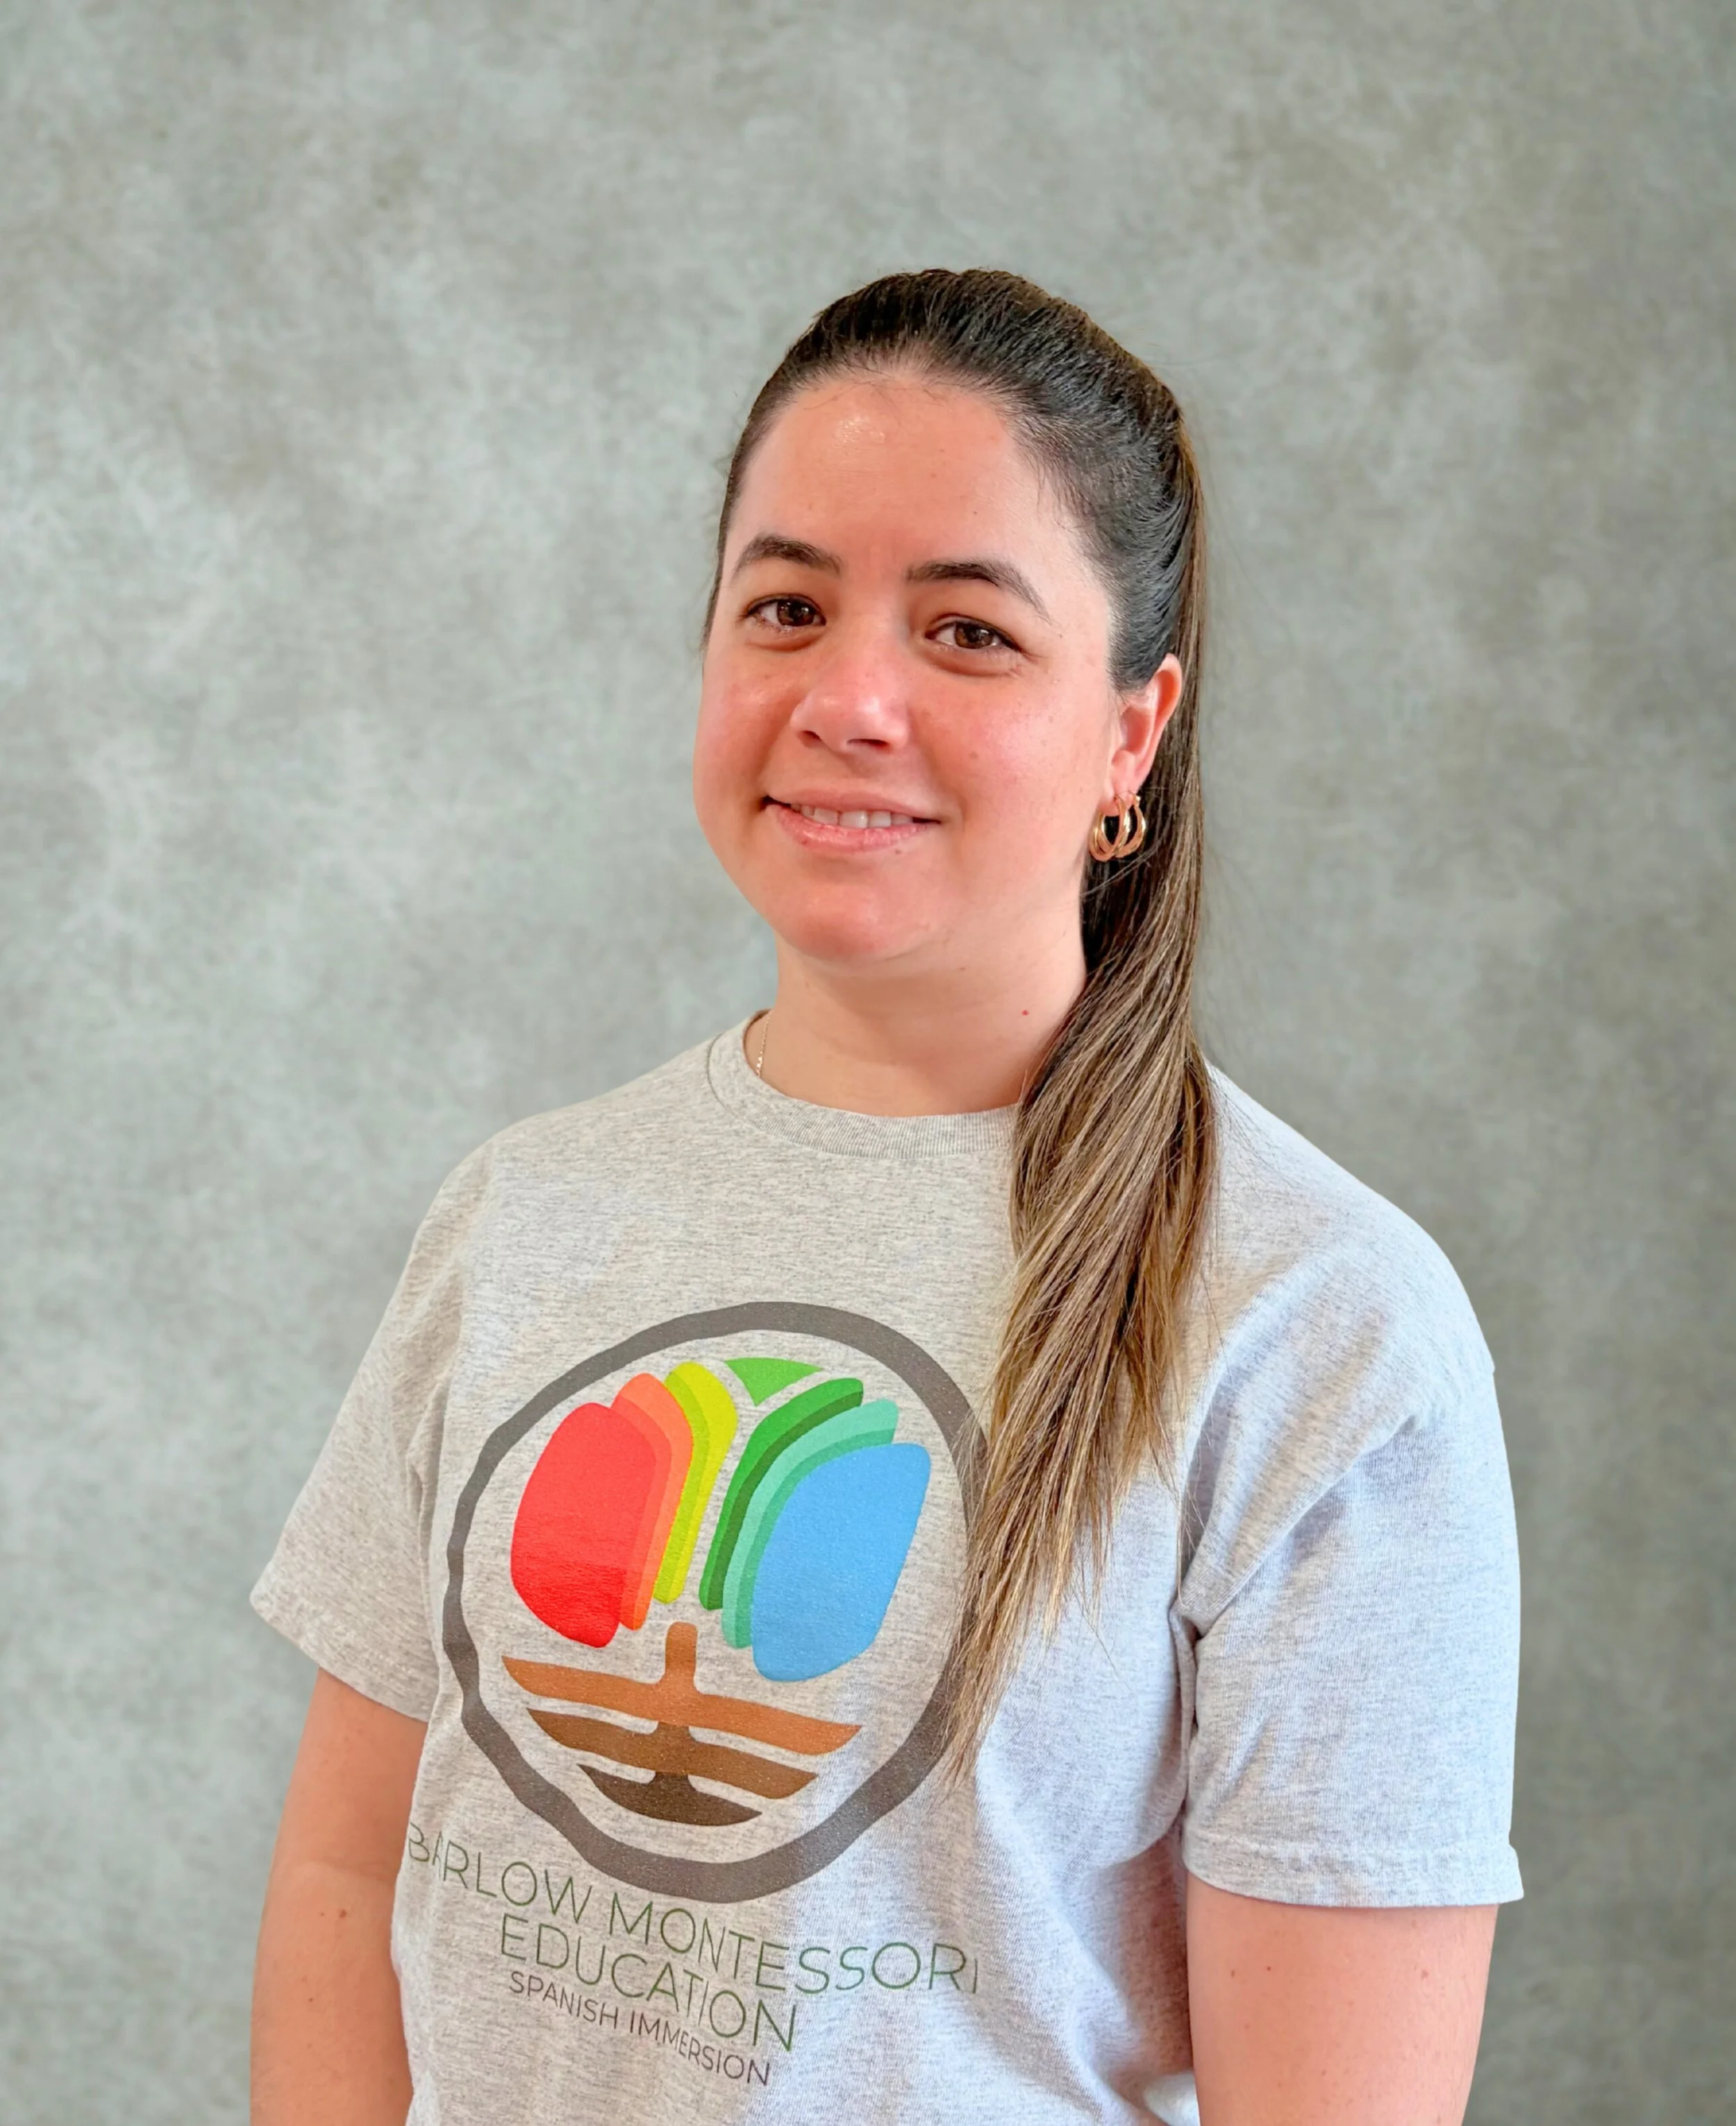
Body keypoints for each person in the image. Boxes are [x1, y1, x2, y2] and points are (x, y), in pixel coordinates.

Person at [249, 268, 1521, 2126]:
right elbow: (350, 1871)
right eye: (785, 606)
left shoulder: (1318, 1322)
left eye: (967, 632)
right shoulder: (522, 1212)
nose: (848, 698)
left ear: (1129, 736)